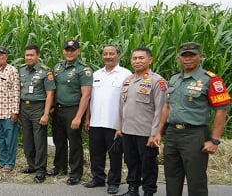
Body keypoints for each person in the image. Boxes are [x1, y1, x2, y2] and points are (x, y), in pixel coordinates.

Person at [154, 42, 230, 196]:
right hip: (173, 135)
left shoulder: (211, 80)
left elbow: (221, 111)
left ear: (200, 57)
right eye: (184, 56)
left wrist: (214, 140)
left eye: (192, 55)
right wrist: (158, 132)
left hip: (195, 135)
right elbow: (166, 107)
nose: (187, 59)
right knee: (172, 177)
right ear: (179, 58)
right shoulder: (174, 79)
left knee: (196, 180)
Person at [114, 47, 166, 196]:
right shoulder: (128, 80)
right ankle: (132, 189)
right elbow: (121, 106)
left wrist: (155, 133)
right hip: (127, 131)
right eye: (134, 58)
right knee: (131, 163)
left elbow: (161, 110)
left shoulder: (157, 81)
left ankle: (148, 191)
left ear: (150, 60)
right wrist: (119, 128)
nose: (137, 61)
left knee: (148, 165)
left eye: (141, 58)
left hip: (146, 132)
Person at [84, 45, 130, 194]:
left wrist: (121, 125)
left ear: (118, 55)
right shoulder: (96, 74)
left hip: (114, 123)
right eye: (105, 54)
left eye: (111, 53)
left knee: (115, 154)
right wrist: (88, 118)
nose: (108, 56)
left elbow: (127, 101)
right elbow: (90, 99)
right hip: (96, 121)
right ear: (102, 56)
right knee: (96, 152)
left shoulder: (125, 74)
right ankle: (98, 178)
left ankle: (114, 182)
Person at [49, 39, 92, 185]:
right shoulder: (58, 67)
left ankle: (75, 173)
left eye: (72, 50)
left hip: (73, 109)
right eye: (67, 49)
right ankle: (60, 167)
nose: (69, 52)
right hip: (58, 109)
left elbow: (86, 95)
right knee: (59, 140)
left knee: (74, 143)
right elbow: (55, 89)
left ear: (78, 51)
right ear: (63, 51)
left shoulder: (83, 70)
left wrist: (79, 117)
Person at [18, 45, 55, 182]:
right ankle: (31, 165)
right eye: (27, 55)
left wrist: (46, 114)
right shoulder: (21, 70)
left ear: (38, 56)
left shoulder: (45, 72)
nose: (28, 57)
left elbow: (50, 94)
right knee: (27, 139)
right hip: (24, 107)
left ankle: (41, 169)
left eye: (31, 55)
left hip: (38, 107)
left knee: (39, 140)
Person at [0, 46, 20, 172]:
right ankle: (2, 161)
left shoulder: (12, 71)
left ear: (6, 56)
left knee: (10, 139)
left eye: (1, 55)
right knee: (0, 138)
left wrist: (15, 111)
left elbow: (16, 92)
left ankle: (10, 163)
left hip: (8, 112)